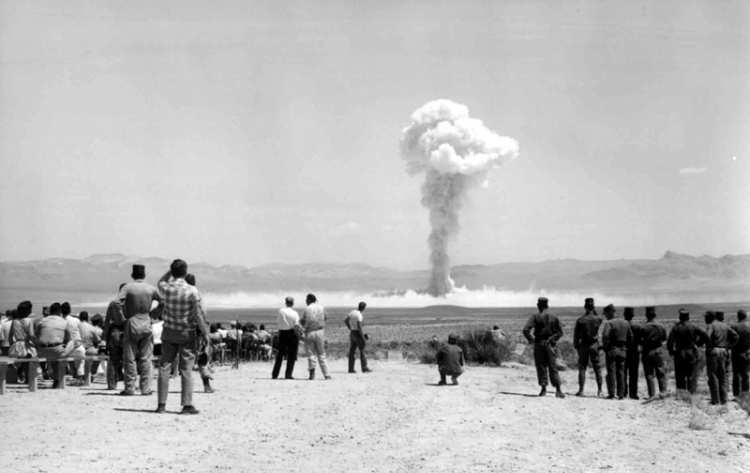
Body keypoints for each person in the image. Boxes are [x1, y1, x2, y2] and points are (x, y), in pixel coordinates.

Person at [155, 259, 209, 415]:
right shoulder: (192, 290)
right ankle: (186, 405)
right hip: (186, 332)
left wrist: (170, 272)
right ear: (185, 272)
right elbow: (198, 314)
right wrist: (205, 333)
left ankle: (161, 405)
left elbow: (160, 281)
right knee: (186, 369)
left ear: (172, 272)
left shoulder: (166, 288)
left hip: (169, 331)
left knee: (165, 366)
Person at [118, 264, 162, 396]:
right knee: (146, 358)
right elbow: (163, 302)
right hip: (146, 322)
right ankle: (145, 388)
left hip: (132, 322)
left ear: (132, 275)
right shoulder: (151, 288)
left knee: (129, 358)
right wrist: (154, 314)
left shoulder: (128, 287)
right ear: (144, 275)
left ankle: (130, 387)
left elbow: (116, 303)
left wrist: (122, 318)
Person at [522, 297, 565, 398]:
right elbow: (560, 332)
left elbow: (525, 330)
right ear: (547, 305)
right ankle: (558, 390)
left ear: (538, 305)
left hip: (539, 344)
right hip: (550, 345)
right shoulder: (554, 317)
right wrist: (553, 339)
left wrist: (531, 340)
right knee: (553, 367)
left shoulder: (535, 317)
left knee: (541, 367)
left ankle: (543, 389)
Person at [34, 302, 81, 388]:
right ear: (60, 311)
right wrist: (64, 345)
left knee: (55, 356)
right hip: (57, 351)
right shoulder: (64, 321)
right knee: (74, 342)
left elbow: (36, 335)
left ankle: (55, 378)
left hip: (41, 351)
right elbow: (68, 338)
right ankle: (61, 376)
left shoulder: (42, 321)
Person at [667, 308, 707, 396]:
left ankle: (682, 395)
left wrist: (672, 351)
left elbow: (670, 341)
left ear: (680, 317)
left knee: (680, 376)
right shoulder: (693, 326)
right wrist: (698, 344)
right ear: (688, 317)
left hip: (679, 353)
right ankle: (691, 394)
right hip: (691, 352)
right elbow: (705, 335)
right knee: (692, 375)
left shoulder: (676, 327)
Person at [185, 273, 213, 392]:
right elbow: (201, 314)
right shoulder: (197, 295)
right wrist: (205, 332)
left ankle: (186, 387)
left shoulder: (181, 295)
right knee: (202, 357)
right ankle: (206, 385)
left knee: (186, 359)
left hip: (183, 330)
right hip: (197, 330)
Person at [706, 310, 739, 405]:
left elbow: (707, 336)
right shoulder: (725, 326)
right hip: (724, 351)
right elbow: (736, 336)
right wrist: (729, 346)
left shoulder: (711, 325)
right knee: (723, 376)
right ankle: (724, 400)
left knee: (713, 376)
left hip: (714, 351)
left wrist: (709, 346)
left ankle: (715, 400)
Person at [600, 304, 632, 400]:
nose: (605, 315)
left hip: (612, 349)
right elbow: (630, 337)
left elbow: (605, 336)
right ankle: (621, 394)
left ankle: (612, 393)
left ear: (610, 312)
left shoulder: (609, 323)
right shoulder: (625, 323)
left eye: (605, 313)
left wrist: (606, 348)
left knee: (611, 372)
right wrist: (626, 347)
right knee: (621, 372)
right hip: (623, 350)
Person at [573, 297, 602, 397]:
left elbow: (576, 336)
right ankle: (600, 390)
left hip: (583, 345)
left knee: (582, 368)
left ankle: (581, 390)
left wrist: (576, 346)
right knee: (597, 368)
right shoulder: (598, 319)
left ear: (585, 307)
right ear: (593, 306)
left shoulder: (580, 320)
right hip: (594, 345)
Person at [300, 293, 330, 380]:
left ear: (309, 300)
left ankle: (312, 374)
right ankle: (326, 374)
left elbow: (303, 321)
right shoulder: (321, 307)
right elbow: (326, 317)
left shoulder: (307, 309)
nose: (305, 301)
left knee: (311, 354)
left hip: (309, 332)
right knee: (321, 354)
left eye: (306, 300)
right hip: (320, 331)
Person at [639, 306, 668, 400]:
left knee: (649, 374)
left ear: (646, 315)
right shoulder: (661, 326)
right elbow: (664, 338)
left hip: (647, 351)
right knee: (661, 372)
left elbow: (640, 340)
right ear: (655, 314)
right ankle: (663, 392)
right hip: (658, 350)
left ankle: (651, 394)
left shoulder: (643, 327)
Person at [103, 284, 127, 390]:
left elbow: (107, 322)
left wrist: (104, 339)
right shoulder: (130, 304)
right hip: (127, 332)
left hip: (114, 333)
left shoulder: (113, 304)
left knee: (113, 360)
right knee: (129, 359)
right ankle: (129, 384)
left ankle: (112, 384)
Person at [272, 296, 300, 380]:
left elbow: (279, 322)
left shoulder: (281, 311)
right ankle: (288, 374)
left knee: (280, 355)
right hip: (291, 333)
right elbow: (296, 325)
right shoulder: (295, 313)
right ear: (293, 303)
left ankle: (275, 374)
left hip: (282, 333)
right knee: (291, 355)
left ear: (286, 302)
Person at [345, 301, 371, 374]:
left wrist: (350, 328)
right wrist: (363, 338)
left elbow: (346, 320)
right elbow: (359, 327)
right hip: (357, 333)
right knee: (362, 350)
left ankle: (350, 369)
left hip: (352, 333)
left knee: (352, 351)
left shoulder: (352, 312)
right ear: (364, 308)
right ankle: (364, 368)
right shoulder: (359, 315)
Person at [622, 307, 640, 399]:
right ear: (633, 315)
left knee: (623, 372)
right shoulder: (637, 327)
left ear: (624, 315)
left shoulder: (622, 326)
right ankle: (633, 394)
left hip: (624, 350)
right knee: (634, 373)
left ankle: (623, 392)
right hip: (634, 352)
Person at [731, 310, 750, 396]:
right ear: (745, 316)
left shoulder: (734, 326)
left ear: (738, 316)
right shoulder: (748, 326)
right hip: (746, 352)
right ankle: (745, 393)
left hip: (736, 353)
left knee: (736, 374)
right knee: (745, 374)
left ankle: (736, 394)